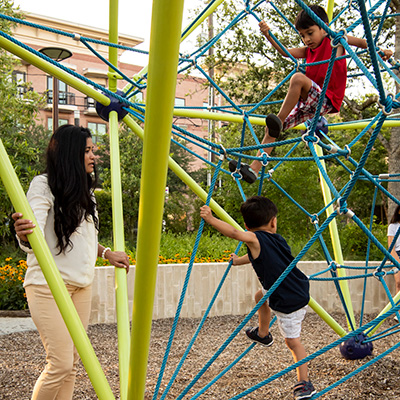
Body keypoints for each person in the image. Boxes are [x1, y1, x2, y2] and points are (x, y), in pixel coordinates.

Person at [12, 124, 130, 400]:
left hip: (81, 286)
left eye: (92, 150)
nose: (92, 156)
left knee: (74, 364)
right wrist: (25, 236)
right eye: (87, 150)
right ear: (70, 153)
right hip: (48, 287)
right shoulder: (43, 185)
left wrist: (106, 253)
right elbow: (34, 233)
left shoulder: (84, 191)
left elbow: (81, 237)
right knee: (61, 363)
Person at [229, 5, 393, 184]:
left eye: (310, 33)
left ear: (324, 27)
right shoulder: (308, 51)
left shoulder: (335, 40)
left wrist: (381, 51)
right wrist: (268, 35)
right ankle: (254, 169)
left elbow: (363, 43)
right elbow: (284, 53)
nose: (306, 39)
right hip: (310, 102)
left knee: (298, 79)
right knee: (271, 130)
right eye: (302, 35)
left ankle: (279, 119)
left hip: (327, 98)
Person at [200, 196, 314, 399]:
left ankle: (305, 382)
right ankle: (263, 334)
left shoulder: (255, 238)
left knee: (293, 342)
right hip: (289, 288)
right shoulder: (276, 239)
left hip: (288, 299)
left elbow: (234, 233)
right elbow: (256, 255)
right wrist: (238, 261)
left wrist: (211, 219)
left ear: (246, 226)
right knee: (259, 296)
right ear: (273, 222)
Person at [388, 205, 400, 296]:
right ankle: (398, 309)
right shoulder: (393, 226)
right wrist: (397, 261)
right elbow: (391, 248)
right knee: (399, 283)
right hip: (396, 254)